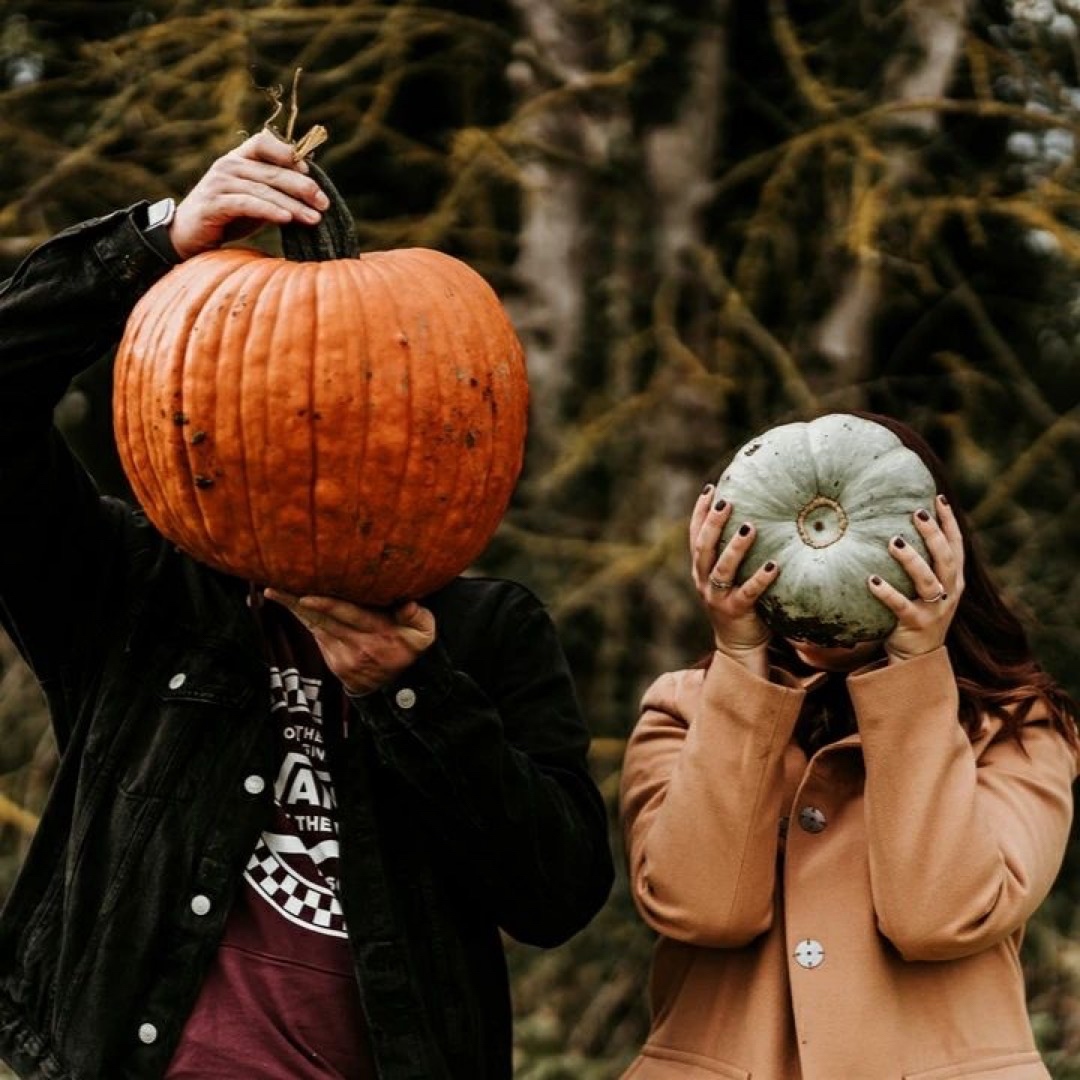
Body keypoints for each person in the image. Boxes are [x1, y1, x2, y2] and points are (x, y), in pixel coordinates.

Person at [0, 129, 613, 1080]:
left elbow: (558, 896)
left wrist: (411, 694)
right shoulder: (133, 594)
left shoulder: (483, 633)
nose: (318, 444)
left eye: (360, 411)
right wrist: (159, 240)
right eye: (287, 411)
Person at [619, 413, 1078, 1080]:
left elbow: (941, 919)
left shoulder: (1016, 727)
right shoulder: (684, 711)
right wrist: (739, 659)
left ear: (939, 548)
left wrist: (915, 668)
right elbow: (704, 911)